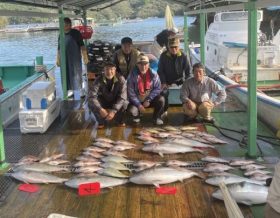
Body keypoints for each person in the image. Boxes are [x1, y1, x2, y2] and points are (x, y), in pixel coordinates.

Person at [88, 61, 128, 129]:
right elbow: (92, 96)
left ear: (115, 70)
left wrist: (113, 111)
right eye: (107, 69)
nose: (109, 72)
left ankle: (119, 120)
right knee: (91, 103)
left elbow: (122, 97)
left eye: (111, 69)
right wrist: (100, 109)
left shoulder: (121, 79)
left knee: (125, 102)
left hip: (115, 100)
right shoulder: (98, 79)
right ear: (103, 70)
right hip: (104, 100)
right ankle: (101, 121)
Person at [127, 54, 164, 125]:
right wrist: (138, 105)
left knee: (161, 99)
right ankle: (136, 116)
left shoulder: (154, 74)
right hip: (136, 100)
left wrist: (149, 99)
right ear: (137, 64)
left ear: (149, 64)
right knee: (131, 110)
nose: (143, 66)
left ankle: (156, 117)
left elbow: (157, 88)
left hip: (148, 100)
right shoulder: (131, 75)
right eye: (140, 64)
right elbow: (131, 93)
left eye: (145, 64)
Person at [158, 37, 190, 117]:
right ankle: (164, 110)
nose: (174, 49)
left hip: (180, 80)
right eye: (171, 47)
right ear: (168, 47)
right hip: (167, 81)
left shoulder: (183, 55)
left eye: (176, 47)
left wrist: (187, 82)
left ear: (179, 46)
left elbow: (188, 71)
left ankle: (186, 109)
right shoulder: (163, 56)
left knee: (187, 92)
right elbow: (160, 71)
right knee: (164, 93)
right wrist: (164, 82)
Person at [56, 17, 89, 98]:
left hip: (74, 59)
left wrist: (85, 56)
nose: (63, 26)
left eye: (65, 24)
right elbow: (59, 48)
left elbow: (82, 45)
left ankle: (80, 91)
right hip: (64, 59)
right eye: (62, 25)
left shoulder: (75, 33)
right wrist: (58, 58)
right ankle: (68, 91)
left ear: (69, 24)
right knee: (65, 74)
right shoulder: (61, 34)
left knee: (76, 74)